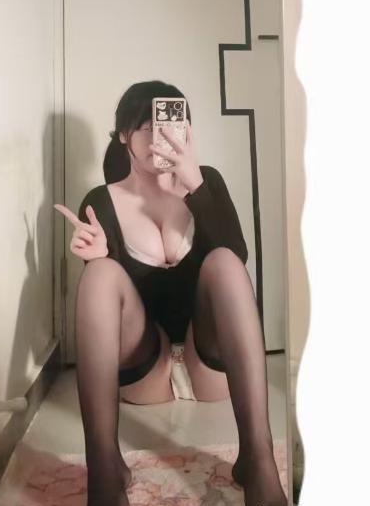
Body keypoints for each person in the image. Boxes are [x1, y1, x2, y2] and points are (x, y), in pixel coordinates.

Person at [54, 80, 287, 506]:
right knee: (101, 276)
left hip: (210, 364)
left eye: (168, 125)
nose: (158, 138)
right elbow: (109, 312)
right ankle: (105, 471)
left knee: (224, 263)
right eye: (146, 127)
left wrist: (196, 185)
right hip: (146, 370)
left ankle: (258, 459)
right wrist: (100, 258)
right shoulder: (101, 200)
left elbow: (236, 258)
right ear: (123, 135)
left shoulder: (206, 181)